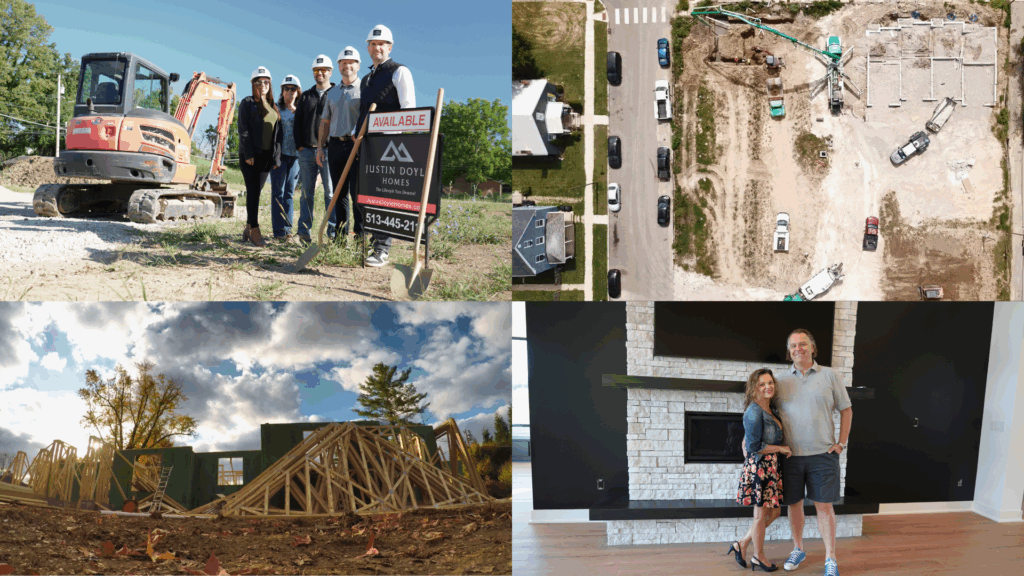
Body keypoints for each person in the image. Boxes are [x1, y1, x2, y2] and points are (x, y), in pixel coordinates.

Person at [774, 329, 853, 576]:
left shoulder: (830, 376)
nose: (799, 348)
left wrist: (841, 443)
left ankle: (831, 558)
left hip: (823, 455)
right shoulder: (779, 380)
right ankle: (798, 548)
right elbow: (765, 413)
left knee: (824, 507)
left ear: (812, 347)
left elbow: (846, 410)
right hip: (790, 456)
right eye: (794, 345)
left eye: (803, 344)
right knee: (794, 505)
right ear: (789, 352)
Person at [356, 24, 416, 267]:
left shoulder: (399, 71)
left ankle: (382, 249)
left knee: (382, 196)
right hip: (365, 142)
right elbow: (363, 112)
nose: (377, 47)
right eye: (373, 44)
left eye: (382, 44)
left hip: (389, 144)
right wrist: (354, 133)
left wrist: (390, 134)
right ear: (368, 48)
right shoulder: (366, 78)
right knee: (365, 196)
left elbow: (409, 110)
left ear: (389, 47)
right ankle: (371, 242)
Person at [730, 368, 790, 572]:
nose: (767, 387)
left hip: (770, 467)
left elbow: (750, 439)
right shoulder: (754, 410)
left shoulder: (771, 409)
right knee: (760, 515)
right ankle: (759, 556)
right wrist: (781, 448)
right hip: (760, 468)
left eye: (770, 382)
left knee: (774, 512)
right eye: (762, 384)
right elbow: (754, 446)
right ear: (754, 388)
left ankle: (743, 543)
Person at [317, 46, 362, 242]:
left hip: (357, 148)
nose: (347, 66)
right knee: (339, 194)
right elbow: (325, 122)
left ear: (358, 65)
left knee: (357, 194)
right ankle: (340, 239)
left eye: (351, 63)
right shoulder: (332, 93)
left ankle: (360, 238)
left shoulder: (365, 90)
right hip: (335, 146)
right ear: (339, 66)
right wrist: (320, 147)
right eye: (343, 63)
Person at [237, 66, 282, 247]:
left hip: (266, 157)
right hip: (250, 156)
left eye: (266, 82)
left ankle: (248, 227)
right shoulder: (247, 103)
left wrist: (276, 158)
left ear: (269, 84)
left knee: (256, 192)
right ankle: (255, 229)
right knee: (253, 191)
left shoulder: (273, 106)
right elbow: (243, 129)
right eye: (258, 82)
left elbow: (278, 135)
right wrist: (248, 153)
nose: (262, 85)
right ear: (253, 84)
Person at [294, 54, 336, 243]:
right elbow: (297, 123)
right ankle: (304, 233)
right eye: (316, 70)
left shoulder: (337, 93)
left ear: (330, 72)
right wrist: (300, 147)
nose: (319, 73)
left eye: (323, 70)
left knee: (330, 193)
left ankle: (333, 233)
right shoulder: (306, 96)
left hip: (329, 151)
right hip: (307, 152)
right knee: (306, 194)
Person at [269, 74, 301, 243]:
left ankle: (288, 230)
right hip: (279, 158)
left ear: (298, 91)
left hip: (295, 158)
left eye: (293, 89)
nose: (289, 92)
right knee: (277, 193)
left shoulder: (301, 110)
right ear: (282, 91)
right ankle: (278, 231)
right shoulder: (276, 109)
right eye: (286, 89)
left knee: (289, 193)